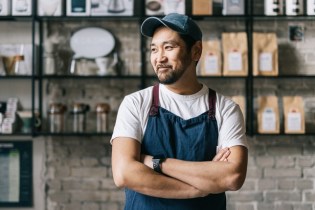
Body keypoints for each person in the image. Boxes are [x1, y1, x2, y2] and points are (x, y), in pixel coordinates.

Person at [111, 13, 248, 210]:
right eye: (154, 49)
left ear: (196, 51)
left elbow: (232, 176)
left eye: (169, 47)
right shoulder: (135, 103)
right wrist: (200, 189)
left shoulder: (225, 109)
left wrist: (155, 162)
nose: (159, 58)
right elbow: (124, 173)